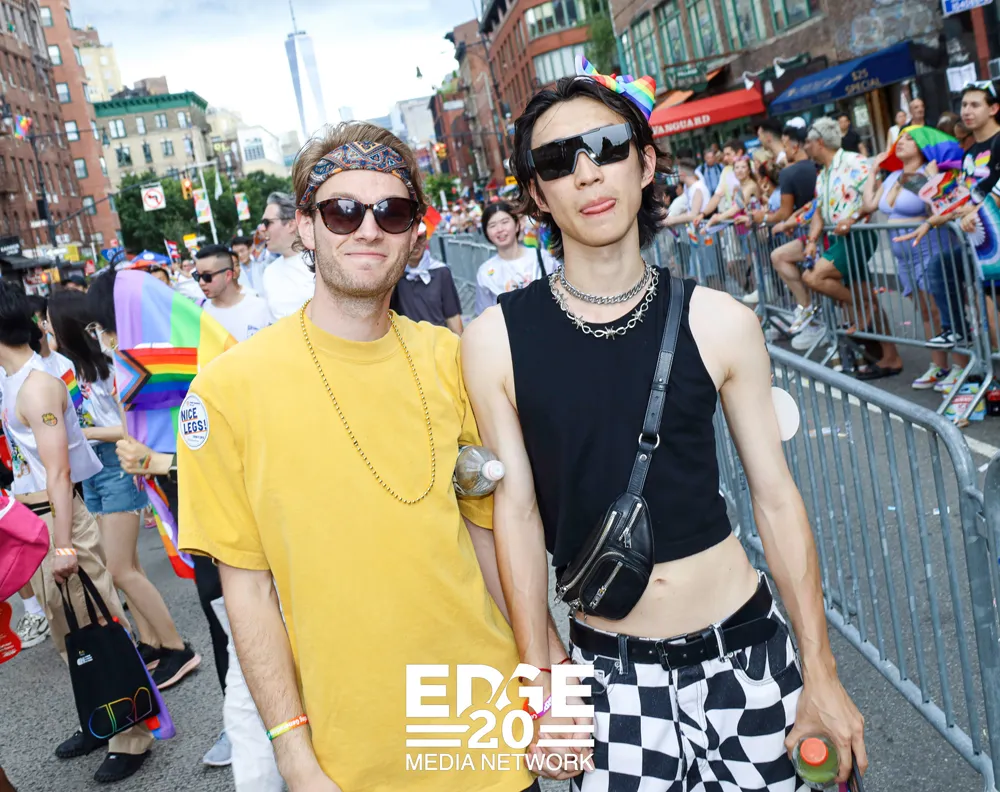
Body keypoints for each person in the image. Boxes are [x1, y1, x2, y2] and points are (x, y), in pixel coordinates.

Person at [462, 66, 866, 791]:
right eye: (557, 160)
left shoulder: (722, 321)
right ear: (537, 194)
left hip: (747, 659)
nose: (588, 173)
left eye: (608, 146)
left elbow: (777, 499)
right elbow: (515, 516)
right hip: (609, 683)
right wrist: (541, 685)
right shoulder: (496, 340)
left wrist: (823, 671)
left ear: (645, 163)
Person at [177, 121, 561, 792]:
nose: (368, 228)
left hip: (487, 734)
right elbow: (248, 589)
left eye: (392, 211)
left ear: (415, 233)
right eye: (342, 210)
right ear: (305, 226)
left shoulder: (451, 360)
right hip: (352, 759)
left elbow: (495, 540)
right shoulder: (227, 389)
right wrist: (293, 755)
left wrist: (554, 685)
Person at [0, 283, 153, 783]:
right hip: (34, 520)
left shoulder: (38, 386)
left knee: (99, 621)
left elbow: (60, 471)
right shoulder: (13, 380)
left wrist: (64, 543)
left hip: (59, 518)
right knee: (67, 630)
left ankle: (131, 732)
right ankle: (98, 716)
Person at [85, 267, 233, 768]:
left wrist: (158, 462)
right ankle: (245, 720)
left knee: (234, 618)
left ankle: (253, 724)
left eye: (107, 325)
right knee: (222, 618)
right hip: (197, 513)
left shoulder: (201, 368)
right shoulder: (161, 368)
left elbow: (231, 448)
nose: (107, 337)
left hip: (223, 517)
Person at [46, 289, 200, 686]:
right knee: (125, 565)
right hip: (97, 468)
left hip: (116, 463)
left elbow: (126, 427)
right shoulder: (77, 368)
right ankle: (151, 641)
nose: (45, 329)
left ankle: (178, 648)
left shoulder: (110, 366)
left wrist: (85, 433)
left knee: (119, 569)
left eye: (49, 322)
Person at [803, 118, 903, 378]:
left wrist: (853, 218)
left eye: (808, 142)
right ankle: (891, 357)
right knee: (866, 294)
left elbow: (876, 194)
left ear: (819, 142)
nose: (805, 147)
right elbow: (819, 212)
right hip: (840, 240)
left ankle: (862, 308)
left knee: (813, 277)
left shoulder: (854, 161)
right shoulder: (822, 174)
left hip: (858, 236)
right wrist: (811, 241)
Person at [862, 130, 959, 390]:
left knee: (942, 310)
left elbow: (938, 207)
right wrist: (873, 171)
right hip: (904, 256)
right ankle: (939, 366)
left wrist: (930, 179)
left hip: (930, 248)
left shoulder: (929, 172)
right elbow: (869, 204)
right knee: (925, 311)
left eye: (908, 139)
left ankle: (961, 367)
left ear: (922, 145)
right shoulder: (892, 175)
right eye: (900, 139)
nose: (901, 142)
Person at [475, 201, 556, 316]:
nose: (500, 229)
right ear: (486, 232)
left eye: (505, 222)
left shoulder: (543, 258)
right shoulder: (485, 273)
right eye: (492, 225)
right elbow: (484, 315)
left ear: (517, 225)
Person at [390, 221, 464, 333]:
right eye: (410, 239)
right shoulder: (393, 274)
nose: (415, 244)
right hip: (405, 340)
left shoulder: (441, 271)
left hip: (437, 340)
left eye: (420, 238)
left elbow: (452, 315)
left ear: (426, 240)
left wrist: (460, 342)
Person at [193, 245, 273, 342]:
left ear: (228, 275)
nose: (201, 282)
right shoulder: (200, 314)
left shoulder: (259, 307)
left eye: (207, 276)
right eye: (197, 276)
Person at [259, 192, 316, 319]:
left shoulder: (319, 262)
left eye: (267, 222)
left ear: (291, 225)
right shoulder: (269, 272)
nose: (262, 228)